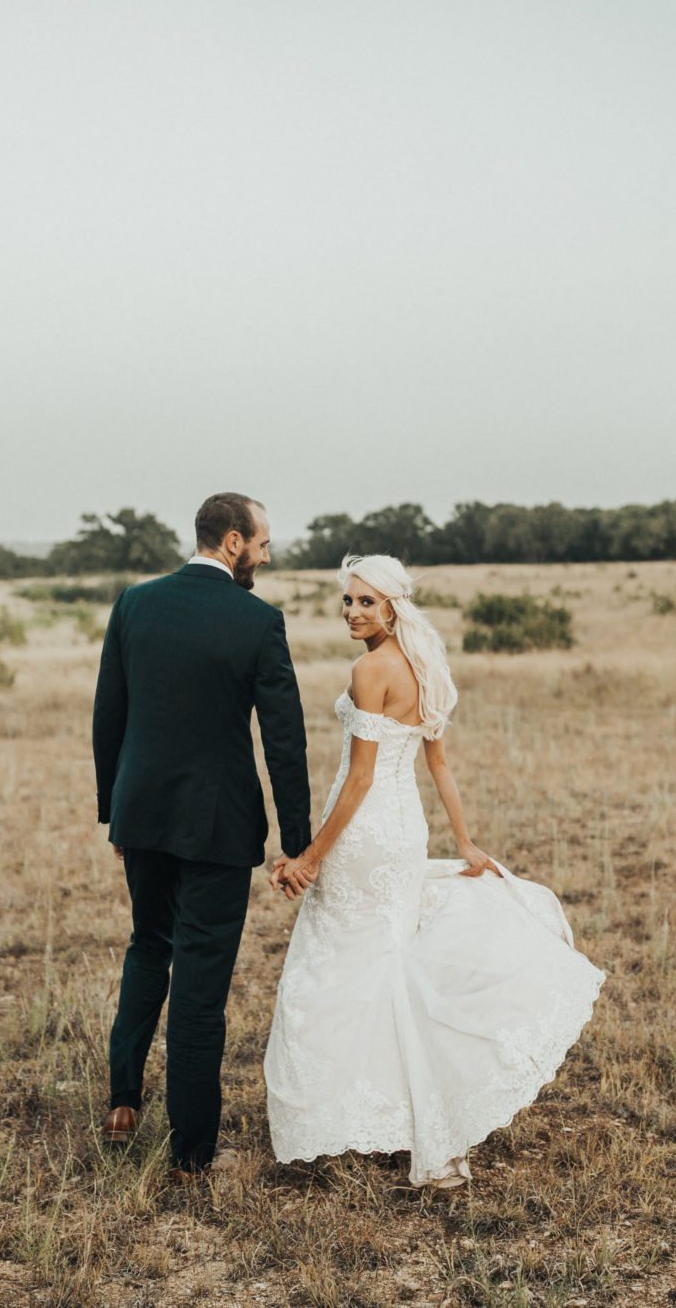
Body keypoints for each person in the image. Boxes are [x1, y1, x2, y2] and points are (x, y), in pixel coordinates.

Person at [264, 554, 603, 1188]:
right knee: (386, 959)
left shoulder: (370, 669)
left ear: (392, 606)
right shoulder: (426, 668)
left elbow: (361, 776)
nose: (353, 612)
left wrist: (310, 857)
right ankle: (411, 1119)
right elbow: (437, 766)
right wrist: (464, 840)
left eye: (366, 602)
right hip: (402, 830)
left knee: (344, 963)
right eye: (347, 601)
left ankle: (389, 1115)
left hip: (365, 832)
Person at [93, 492, 311, 1176]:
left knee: (147, 944)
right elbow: (284, 744)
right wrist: (297, 842)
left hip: (143, 816)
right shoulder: (257, 621)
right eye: (263, 542)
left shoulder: (134, 603)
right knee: (200, 987)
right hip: (217, 828)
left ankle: (124, 1097)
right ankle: (191, 1149)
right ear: (233, 541)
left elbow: (110, 716)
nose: (268, 554)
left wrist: (114, 813)